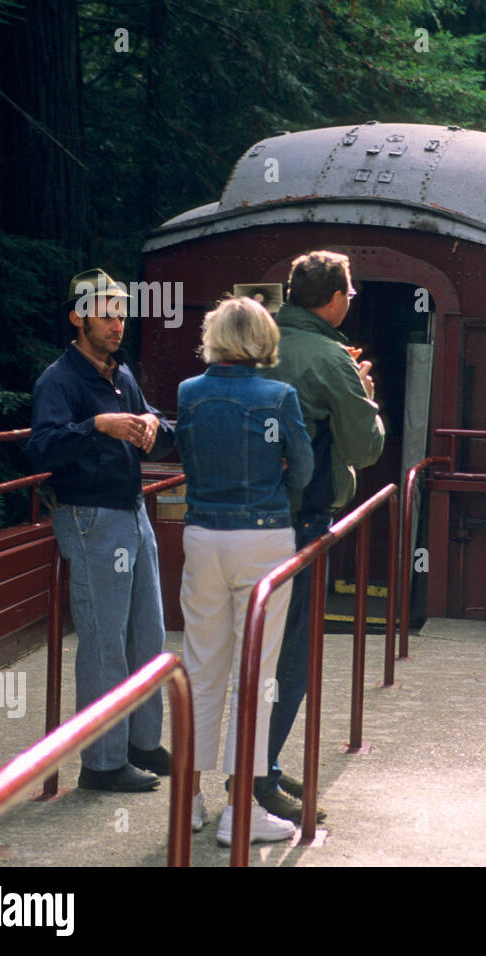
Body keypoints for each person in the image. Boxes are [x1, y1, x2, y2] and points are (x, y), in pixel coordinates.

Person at [28, 269, 175, 792]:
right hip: (90, 517)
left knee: (147, 634)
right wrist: (95, 427)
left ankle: (141, 741)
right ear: (78, 317)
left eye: (121, 314)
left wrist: (155, 423)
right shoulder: (59, 379)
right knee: (104, 642)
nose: (117, 324)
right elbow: (40, 448)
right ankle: (102, 763)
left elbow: (150, 421)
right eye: (106, 314)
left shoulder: (121, 373)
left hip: (132, 511)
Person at [175, 297, 314, 845]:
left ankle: (188, 800)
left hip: (202, 535)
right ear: (263, 339)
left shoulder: (189, 393)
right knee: (255, 674)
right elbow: (301, 469)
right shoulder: (279, 396)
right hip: (263, 538)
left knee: (200, 667)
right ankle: (241, 812)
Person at [252, 250, 384, 822]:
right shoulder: (331, 359)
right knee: (289, 658)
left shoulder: (254, 344)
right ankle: (258, 782)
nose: (349, 304)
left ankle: (253, 772)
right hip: (298, 522)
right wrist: (363, 391)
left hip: (233, 520)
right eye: (349, 296)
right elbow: (365, 447)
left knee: (244, 654)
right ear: (332, 299)